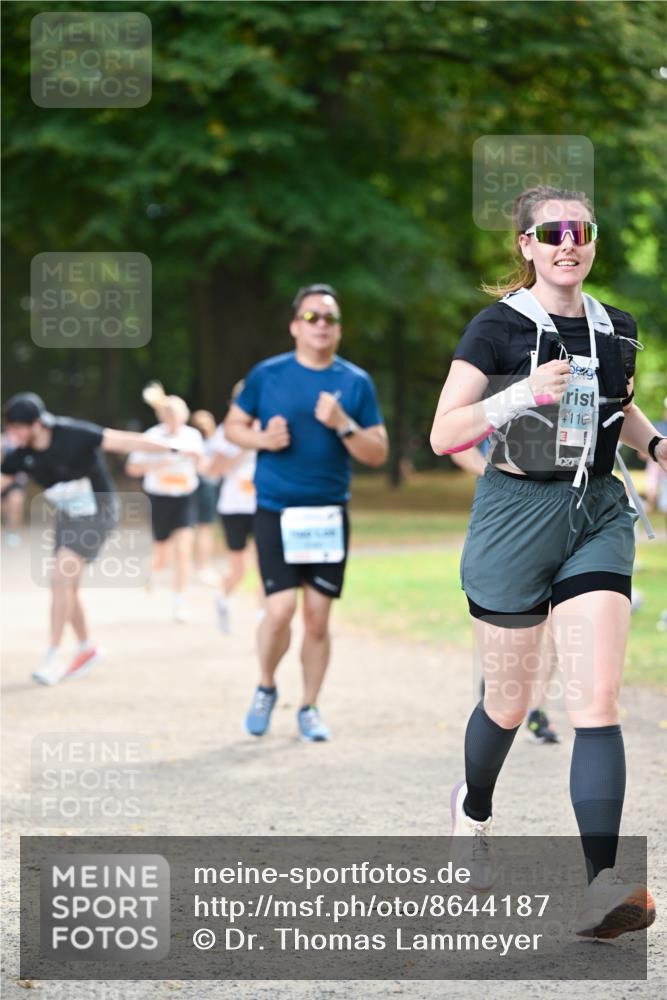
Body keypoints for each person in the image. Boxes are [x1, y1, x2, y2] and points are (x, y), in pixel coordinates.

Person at [430, 186, 662, 937]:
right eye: (550, 231)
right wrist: (520, 393)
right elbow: (443, 434)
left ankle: (606, 886)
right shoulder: (497, 328)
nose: (567, 242)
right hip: (514, 514)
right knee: (506, 700)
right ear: (526, 245)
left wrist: (655, 444)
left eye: (580, 229)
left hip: (595, 512)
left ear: (592, 241)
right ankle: (472, 814)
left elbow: (615, 407)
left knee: (593, 700)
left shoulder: (616, 327)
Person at [225, 284, 388, 741]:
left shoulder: (355, 383)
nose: (321, 325)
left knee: (317, 618)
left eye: (330, 319)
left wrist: (343, 424)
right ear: (296, 326)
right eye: (312, 317)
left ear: (338, 329)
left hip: (328, 516)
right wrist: (261, 439)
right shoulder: (267, 375)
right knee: (278, 612)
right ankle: (266, 685)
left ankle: (310, 707)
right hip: (276, 511)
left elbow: (377, 452)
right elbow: (232, 426)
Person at [0, 391, 198, 684]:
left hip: (99, 508)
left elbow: (125, 441)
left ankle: (52, 656)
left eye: (17, 427)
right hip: (69, 515)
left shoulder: (72, 434)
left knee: (59, 576)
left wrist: (173, 448)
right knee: (68, 587)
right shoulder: (20, 455)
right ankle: (86, 648)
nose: (11, 434)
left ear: (37, 424)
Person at [452, 442, 560, 744]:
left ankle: (537, 709)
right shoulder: (493, 394)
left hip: (564, 511)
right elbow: (455, 444)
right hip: (507, 515)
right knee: (514, 616)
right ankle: (500, 679)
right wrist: (498, 474)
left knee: (555, 617)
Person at [126, 383, 203, 623]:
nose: (173, 418)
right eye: (168, 413)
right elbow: (132, 468)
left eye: (177, 413)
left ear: (184, 415)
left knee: (183, 551)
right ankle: (149, 569)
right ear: (161, 415)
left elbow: (202, 466)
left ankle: (180, 602)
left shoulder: (192, 436)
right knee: (163, 556)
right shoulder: (152, 437)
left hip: (185, 497)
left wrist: (197, 458)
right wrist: (160, 462)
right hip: (160, 499)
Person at [204, 381, 261, 634]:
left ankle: (264, 618)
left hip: (264, 505)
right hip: (234, 507)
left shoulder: (271, 426)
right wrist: (244, 446)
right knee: (238, 569)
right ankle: (223, 600)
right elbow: (212, 472)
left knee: (265, 566)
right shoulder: (225, 432)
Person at [190, 409, 222, 586]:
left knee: (190, 529)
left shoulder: (190, 442)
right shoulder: (214, 444)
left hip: (191, 488)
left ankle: (197, 565)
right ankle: (202, 566)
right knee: (205, 529)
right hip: (206, 488)